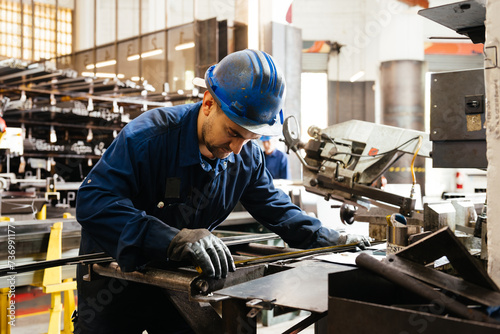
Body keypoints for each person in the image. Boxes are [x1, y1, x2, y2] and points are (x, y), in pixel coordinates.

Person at [74, 49, 370, 333]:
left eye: (250, 137)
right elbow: (93, 201)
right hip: (114, 284)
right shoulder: (149, 138)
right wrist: (171, 239)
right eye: (233, 132)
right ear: (207, 104)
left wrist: (332, 239)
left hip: (178, 285)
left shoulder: (246, 156)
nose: (236, 149)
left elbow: (275, 208)